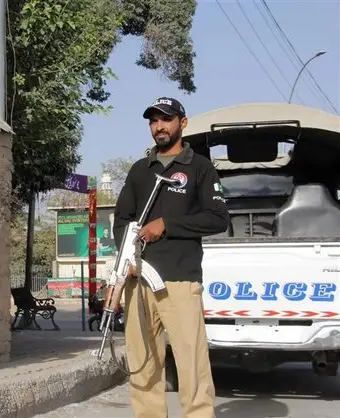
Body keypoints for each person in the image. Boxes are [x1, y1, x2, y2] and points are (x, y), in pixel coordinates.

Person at [113, 97, 229, 418]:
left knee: (191, 362)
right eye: (153, 120)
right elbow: (122, 220)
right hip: (139, 281)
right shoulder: (140, 170)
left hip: (180, 280)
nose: (159, 126)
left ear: (182, 123)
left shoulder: (200, 167)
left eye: (166, 119)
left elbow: (218, 218)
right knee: (143, 363)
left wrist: (167, 224)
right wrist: (127, 259)